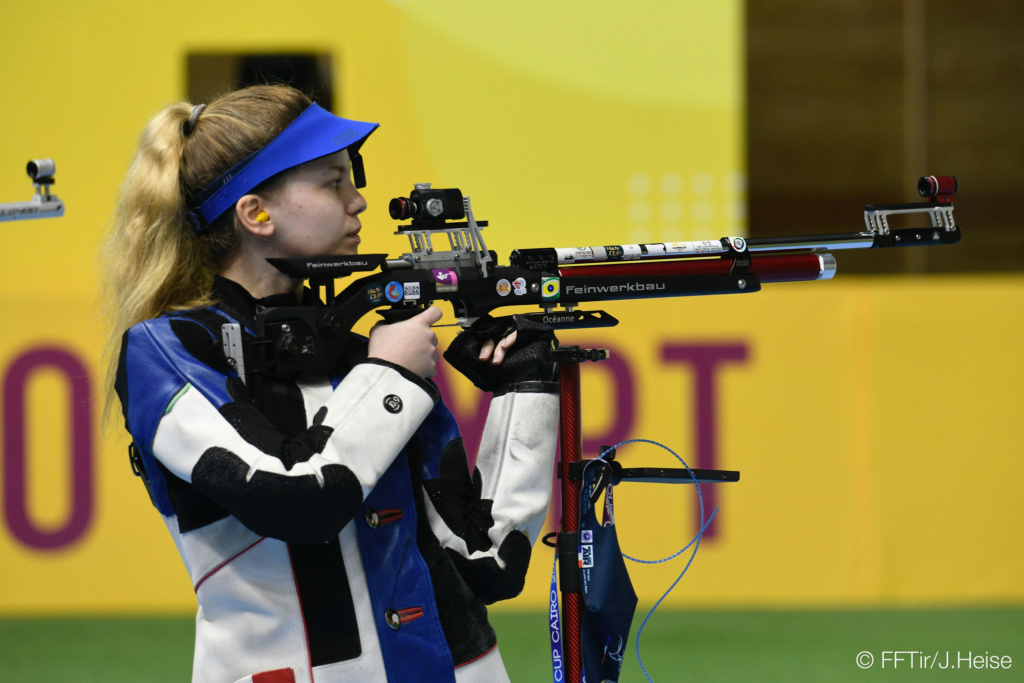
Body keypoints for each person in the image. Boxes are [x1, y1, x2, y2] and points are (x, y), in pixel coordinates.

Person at [101, 84, 559, 683]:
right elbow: (296, 501)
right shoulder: (169, 350)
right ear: (255, 213)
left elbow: (487, 562)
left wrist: (523, 386)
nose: (360, 201)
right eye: (332, 182)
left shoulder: (359, 354)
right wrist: (390, 375)